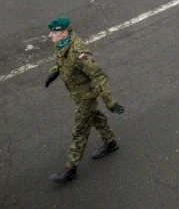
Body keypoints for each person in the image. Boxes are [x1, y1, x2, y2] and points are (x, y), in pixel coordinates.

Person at [43, 16, 125, 184]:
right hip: (77, 93)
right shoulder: (62, 43)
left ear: (65, 33)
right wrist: (54, 71)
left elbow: (99, 76)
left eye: (54, 32)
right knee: (95, 117)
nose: (50, 36)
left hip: (86, 95)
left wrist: (109, 101)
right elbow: (61, 61)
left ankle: (70, 168)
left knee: (80, 130)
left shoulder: (78, 52)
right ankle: (110, 143)